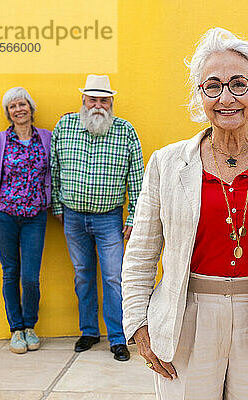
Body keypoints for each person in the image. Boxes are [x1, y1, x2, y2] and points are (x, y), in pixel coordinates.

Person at [121, 27, 248, 400]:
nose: (226, 97)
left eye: (238, 84)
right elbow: (142, 254)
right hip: (188, 315)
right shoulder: (166, 163)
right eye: (213, 86)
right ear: (200, 96)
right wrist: (137, 324)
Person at [51, 74, 144, 361]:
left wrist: (132, 219)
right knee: (83, 276)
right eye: (93, 99)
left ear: (111, 103)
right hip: (73, 217)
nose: (98, 105)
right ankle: (89, 332)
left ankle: (118, 338)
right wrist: (57, 207)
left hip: (109, 219)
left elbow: (137, 180)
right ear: (83, 101)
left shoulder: (125, 131)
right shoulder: (64, 127)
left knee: (115, 278)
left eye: (104, 100)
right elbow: (53, 170)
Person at [0, 87, 51, 354]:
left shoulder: (45, 138)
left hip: (35, 217)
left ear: (30, 108)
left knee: (30, 276)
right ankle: (16, 329)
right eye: (13, 106)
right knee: (10, 273)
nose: (18, 109)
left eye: (22, 104)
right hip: (4, 217)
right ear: (8, 113)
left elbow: (53, 168)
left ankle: (30, 326)